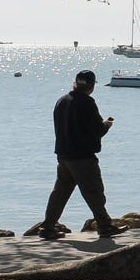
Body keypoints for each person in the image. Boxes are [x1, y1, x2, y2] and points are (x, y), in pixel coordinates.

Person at [33, 69, 116, 238]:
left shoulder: (61, 101)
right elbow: (98, 130)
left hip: (63, 156)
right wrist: (107, 124)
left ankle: (47, 227)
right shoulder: (87, 102)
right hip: (82, 156)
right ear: (92, 86)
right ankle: (105, 226)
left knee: (60, 192)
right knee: (94, 191)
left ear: (76, 83)